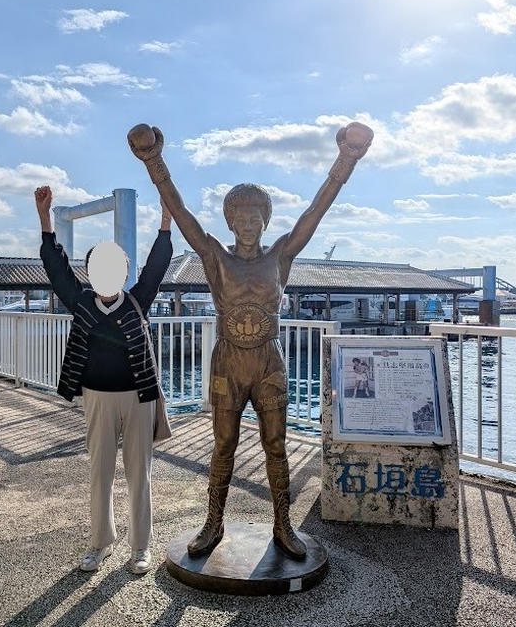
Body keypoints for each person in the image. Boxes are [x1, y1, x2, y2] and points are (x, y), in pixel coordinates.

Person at [128, 121, 372, 559]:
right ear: (230, 222)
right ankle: (213, 523)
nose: (247, 225)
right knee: (223, 443)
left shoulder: (281, 255)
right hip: (227, 362)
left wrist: (346, 159)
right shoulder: (213, 257)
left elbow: (314, 213)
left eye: (254, 218)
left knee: (276, 444)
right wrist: (154, 161)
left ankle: (283, 526)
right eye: (239, 219)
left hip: (268, 361)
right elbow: (182, 214)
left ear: (264, 222)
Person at [35, 185, 173, 574]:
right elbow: (54, 266)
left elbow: (158, 265)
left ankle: (140, 547)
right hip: (96, 395)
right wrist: (45, 218)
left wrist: (165, 220)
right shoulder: (79, 301)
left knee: (138, 475)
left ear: (125, 273)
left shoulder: (138, 300)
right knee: (100, 472)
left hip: (139, 397)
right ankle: (99, 542)